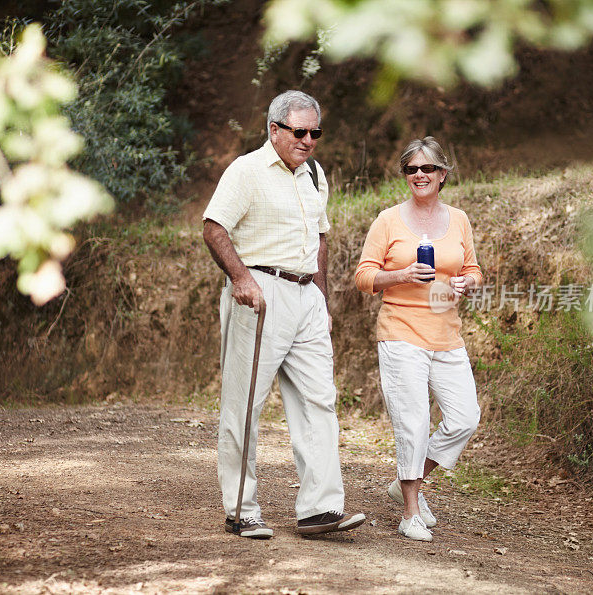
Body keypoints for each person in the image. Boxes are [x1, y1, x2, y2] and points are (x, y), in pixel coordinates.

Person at [202, 90, 365, 539]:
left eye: (316, 132)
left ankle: (320, 509)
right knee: (246, 403)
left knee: (319, 401)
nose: (309, 140)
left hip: (307, 293)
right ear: (274, 129)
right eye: (300, 131)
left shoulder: (314, 173)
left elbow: (322, 237)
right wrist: (241, 278)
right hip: (260, 291)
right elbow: (214, 227)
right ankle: (241, 509)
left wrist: (322, 299)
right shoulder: (247, 170)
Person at [354, 136, 482, 542]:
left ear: (443, 174)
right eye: (412, 169)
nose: (420, 175)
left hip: (447, 333)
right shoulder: (388, 220)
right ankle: (410, 511)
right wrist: (402, 275)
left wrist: (468, 282)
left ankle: (406, 481)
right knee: (414, 421)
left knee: (464, 419)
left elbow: (475, 269)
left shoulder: (459, 219)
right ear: (405, 176)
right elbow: (363, 276)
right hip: (401, 331)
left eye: (428, 168)